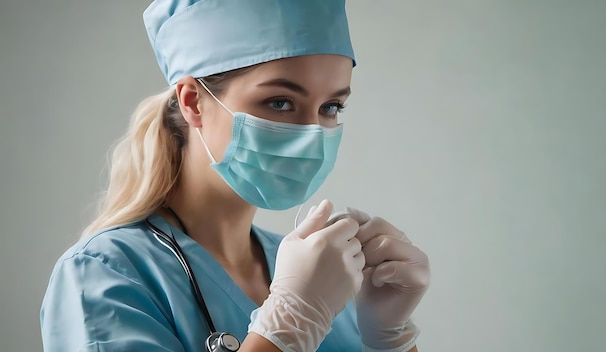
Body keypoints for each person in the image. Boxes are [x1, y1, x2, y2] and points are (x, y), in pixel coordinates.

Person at [40, 0, 430, 351]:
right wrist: (289, 327)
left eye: (331, 106)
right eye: (280, 102)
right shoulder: (105, 275)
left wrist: (390, 339)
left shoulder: (318, 273)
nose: (311, 133)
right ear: (193, 102)